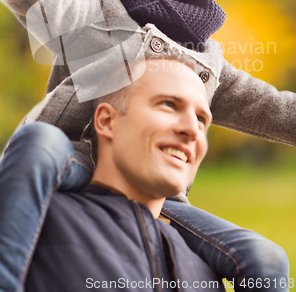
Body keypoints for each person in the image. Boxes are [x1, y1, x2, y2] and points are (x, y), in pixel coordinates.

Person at [0, 0, 291, 292]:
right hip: (76, 157)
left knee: (266, 259)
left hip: (161, 192)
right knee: (38, 143)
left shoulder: (204, 57)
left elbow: (269, 106)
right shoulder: (94, 10)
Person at [23, 58, 283, 291]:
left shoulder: (206, 275)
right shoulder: (37, 222)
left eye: (202, 120)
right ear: (106, 121)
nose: (193, 130)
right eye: (168, 104)